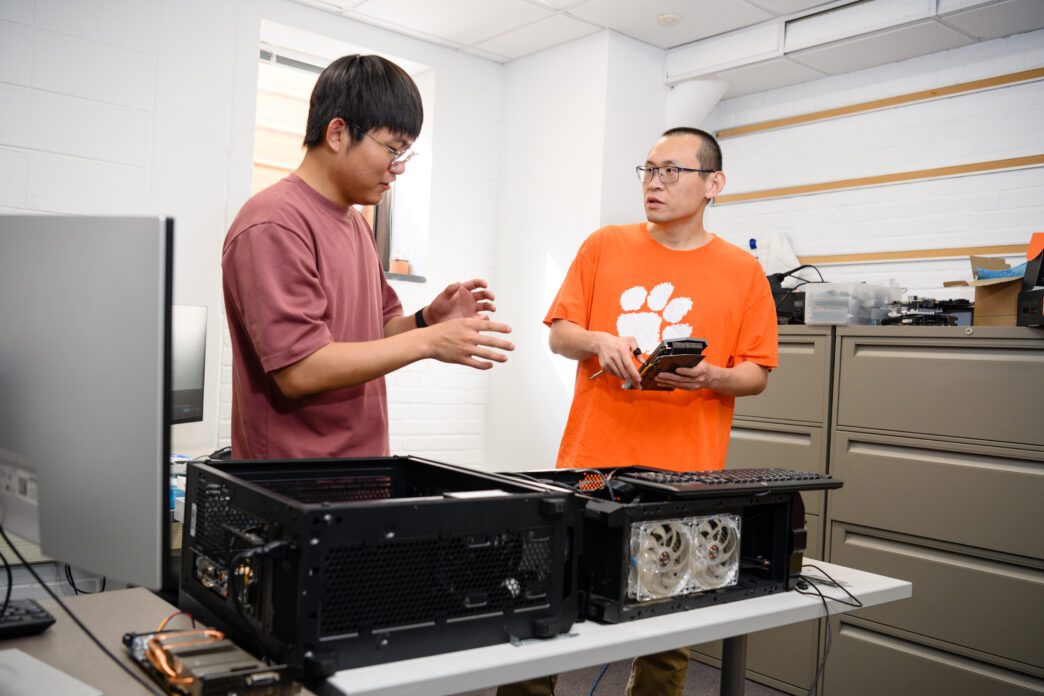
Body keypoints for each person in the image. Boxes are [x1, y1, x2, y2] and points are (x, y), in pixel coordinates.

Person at [498, 127, 778, 696]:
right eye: (649, 170)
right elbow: (559, 334)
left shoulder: (742, 271)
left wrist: (713, 376)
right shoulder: (604, 245)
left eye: (673, 171)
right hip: (590, 469)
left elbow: (757, 372)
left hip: (683, 482)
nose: (655, 182)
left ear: (713, 184)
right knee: (545, 608)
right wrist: (600, 341)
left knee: (668, 637)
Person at [222, 55, 514, 460]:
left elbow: (377, 333)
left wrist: (425, 321)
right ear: (337, 133)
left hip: (363, 468)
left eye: (405, 153)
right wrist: (429, 342)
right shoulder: (273, 223)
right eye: (392, 149)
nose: (398, 168)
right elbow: (299, 370)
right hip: (293, 481)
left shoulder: (357, 223)